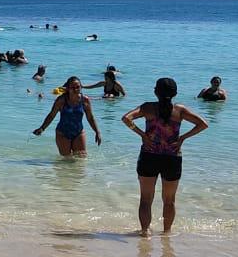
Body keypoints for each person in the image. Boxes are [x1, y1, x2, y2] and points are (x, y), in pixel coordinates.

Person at [121, 78, 208, 237]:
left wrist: (143, 135)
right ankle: (166, 233)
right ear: (175, 93)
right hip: (172, 157)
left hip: (149, 155)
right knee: (169, 200)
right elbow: (203, 124)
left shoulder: (148, 107)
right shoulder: (179, 110)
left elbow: (126, 118)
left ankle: (145, 232)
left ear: (155, 92)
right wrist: (182, 138)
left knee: (146, 199)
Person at [33, 76, 102, 157]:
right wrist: (42, 128)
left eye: (78, 87)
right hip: (62, 134)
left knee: (81, 159)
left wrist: (97, 132)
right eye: (73, 87)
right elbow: (51, 115)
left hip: (78, 133)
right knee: (66, 160)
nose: (76, 89)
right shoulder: (61, 100)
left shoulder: (85, 100)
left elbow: (90, 118)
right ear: (68, 88)